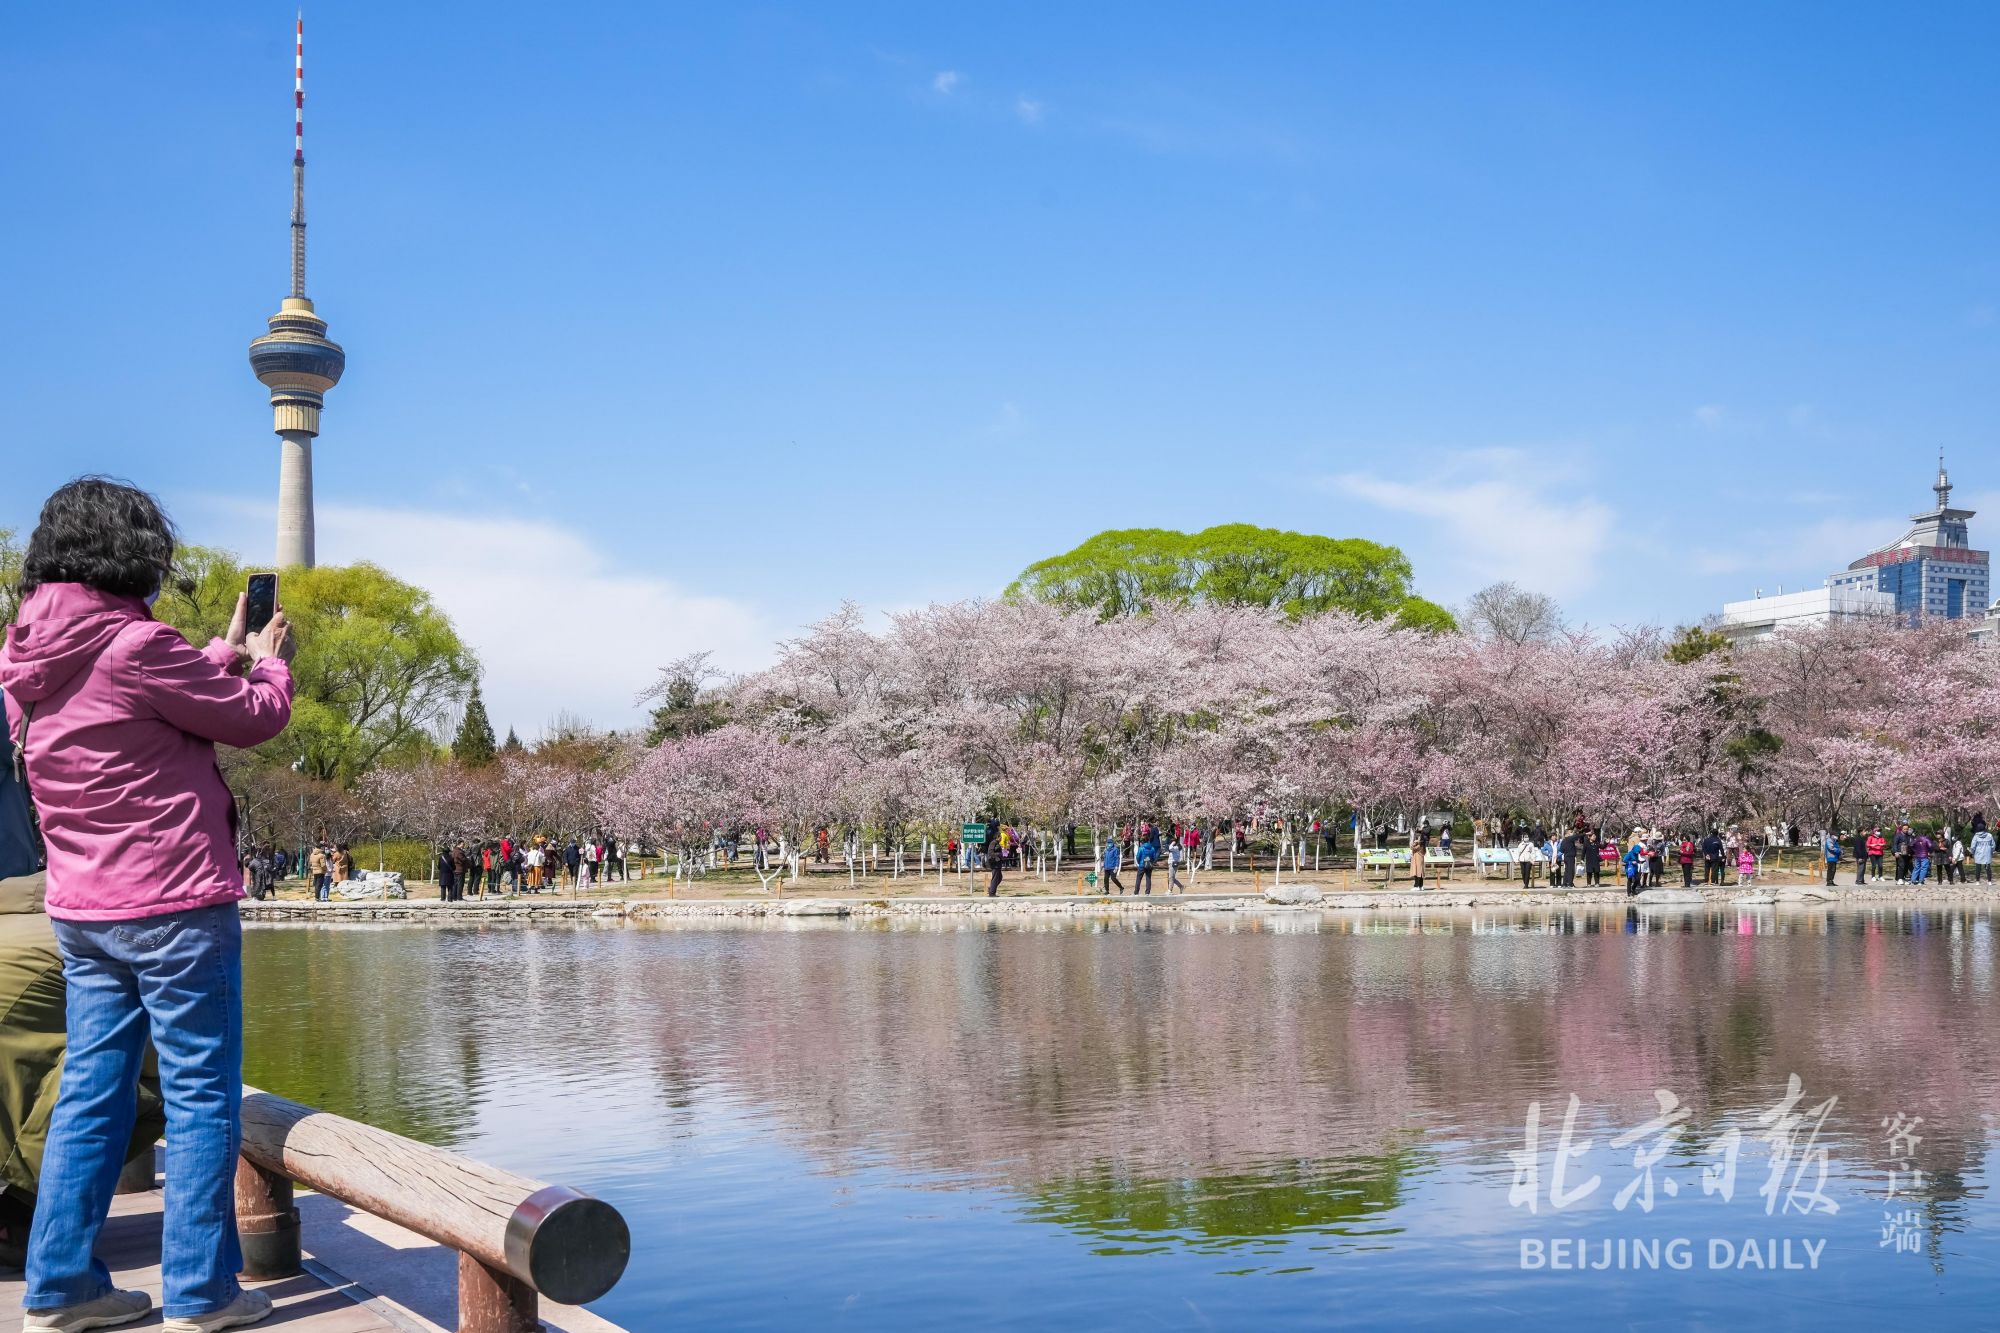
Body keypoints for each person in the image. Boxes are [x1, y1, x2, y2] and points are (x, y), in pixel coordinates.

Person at [0, 477, 293, 1332]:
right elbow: (253, 718)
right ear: (131, 553)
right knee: (204, 1093)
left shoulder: (27, 652)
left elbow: (129, 708)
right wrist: (267, 657)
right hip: (173, 902)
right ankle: (202, 1293)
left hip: (85, 909)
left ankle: (59, 1286)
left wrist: (214, 652)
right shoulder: (137, 643)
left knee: (93, 1091)